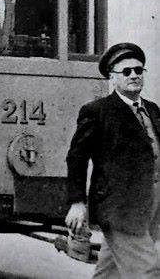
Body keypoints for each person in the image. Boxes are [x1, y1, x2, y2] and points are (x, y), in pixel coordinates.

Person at [66, 42, 160, 277]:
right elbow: (76, 158)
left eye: (139, 70)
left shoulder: (152, 110)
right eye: (126, 71)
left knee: (110, 274)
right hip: (120, 209)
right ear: (112, 77)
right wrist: (77, 202)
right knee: (147, 272)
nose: (134, 76)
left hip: (151, 207)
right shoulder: (97, 112)